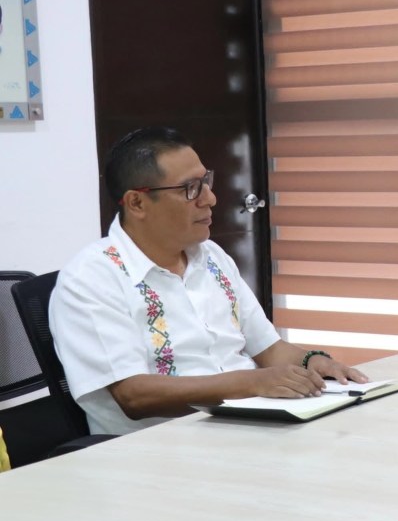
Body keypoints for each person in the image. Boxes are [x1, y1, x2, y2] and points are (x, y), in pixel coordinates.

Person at [50, 127, 368, 435]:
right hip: (159, 447)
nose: (210, 198)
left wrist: (313, 362)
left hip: (248, 425)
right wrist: (252, 383)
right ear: (137, 203)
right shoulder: (91, 278)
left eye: (206, 182)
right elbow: (134, 395)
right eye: (190, 189)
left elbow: (268, 349)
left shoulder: (211, 256)